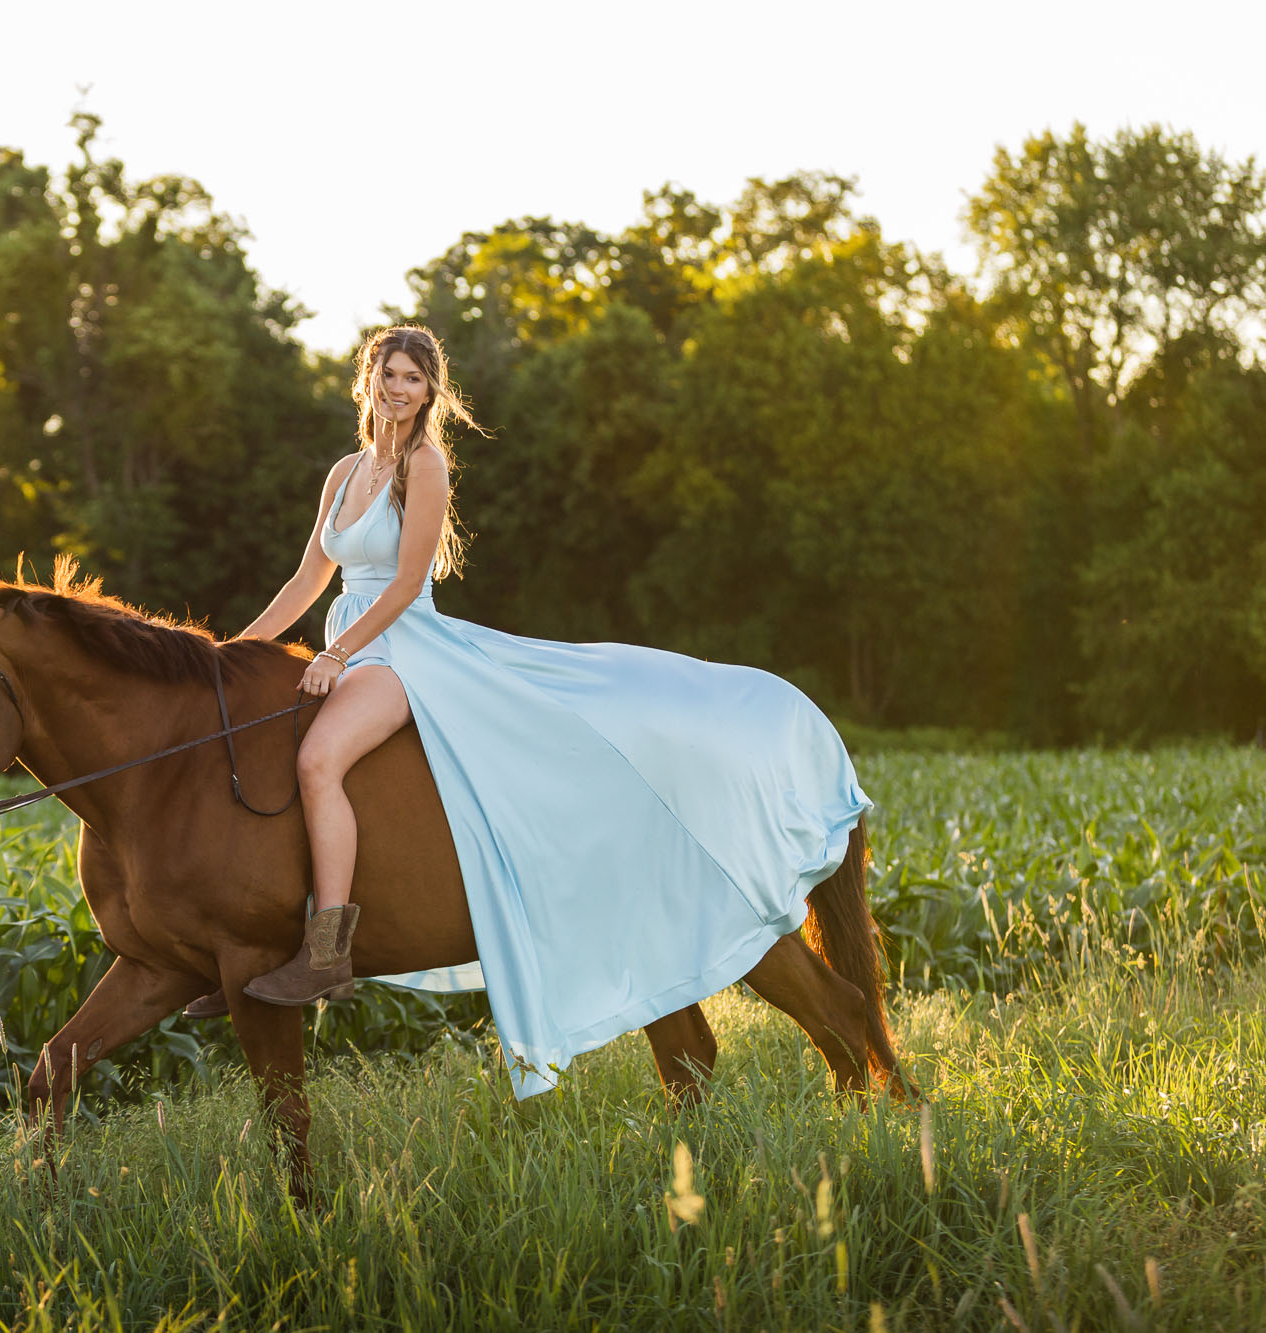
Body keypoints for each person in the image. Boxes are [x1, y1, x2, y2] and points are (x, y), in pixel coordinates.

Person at [214, 324, 873, 1098]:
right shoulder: (345, 472)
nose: (399, 388)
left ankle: (327, 946)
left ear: (430, 393)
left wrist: (333, 654)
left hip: (401, 648)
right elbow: (306, 581)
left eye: (414, 379)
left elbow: (400, 589)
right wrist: (226, 656)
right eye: (389, 373)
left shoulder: (424, 467)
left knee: (318, 760)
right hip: (352, 642)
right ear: (369, 379)